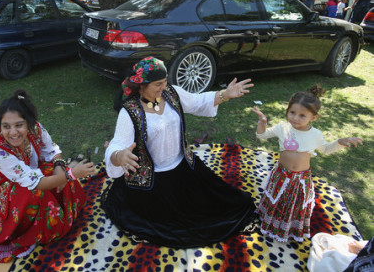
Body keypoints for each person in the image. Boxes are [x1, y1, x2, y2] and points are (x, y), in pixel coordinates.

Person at [102, 57, 257, 248]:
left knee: (225, 203)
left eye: (165, 82)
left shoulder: (172, 93)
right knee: (175, 223)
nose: (164, 87)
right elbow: (116, 145)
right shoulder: (129, 112)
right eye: (158, 84)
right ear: (142, 85)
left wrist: (225, 94)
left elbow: (199, 101)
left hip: (184, 166)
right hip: (153, 180)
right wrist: (120, 156)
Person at [0, 89, 96, 263]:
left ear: (28, 123)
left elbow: (52, 150)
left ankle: (59, 215)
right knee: (34, 193)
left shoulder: (35, 128)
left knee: (58, 177)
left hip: (29, 175)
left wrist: (59, 167)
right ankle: (40, 230)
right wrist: (71, 174)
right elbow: (36, 183)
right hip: (1, 188)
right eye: (6, 126)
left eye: (19, 125)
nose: (13, 132)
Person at [251, 85, 363, 242]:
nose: (295, 118)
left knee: (292, 206)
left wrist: (340, 142)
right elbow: (261, 136)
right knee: (277, 199)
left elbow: (325, 149)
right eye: (292, 112)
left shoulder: (315, 135)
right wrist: (262, 123)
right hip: (281, 175)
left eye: (302, 115)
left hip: (300, 179)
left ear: (314, 117)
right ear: (287, 110)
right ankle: (269, 222)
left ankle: (287, 229)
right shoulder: (282, 127)